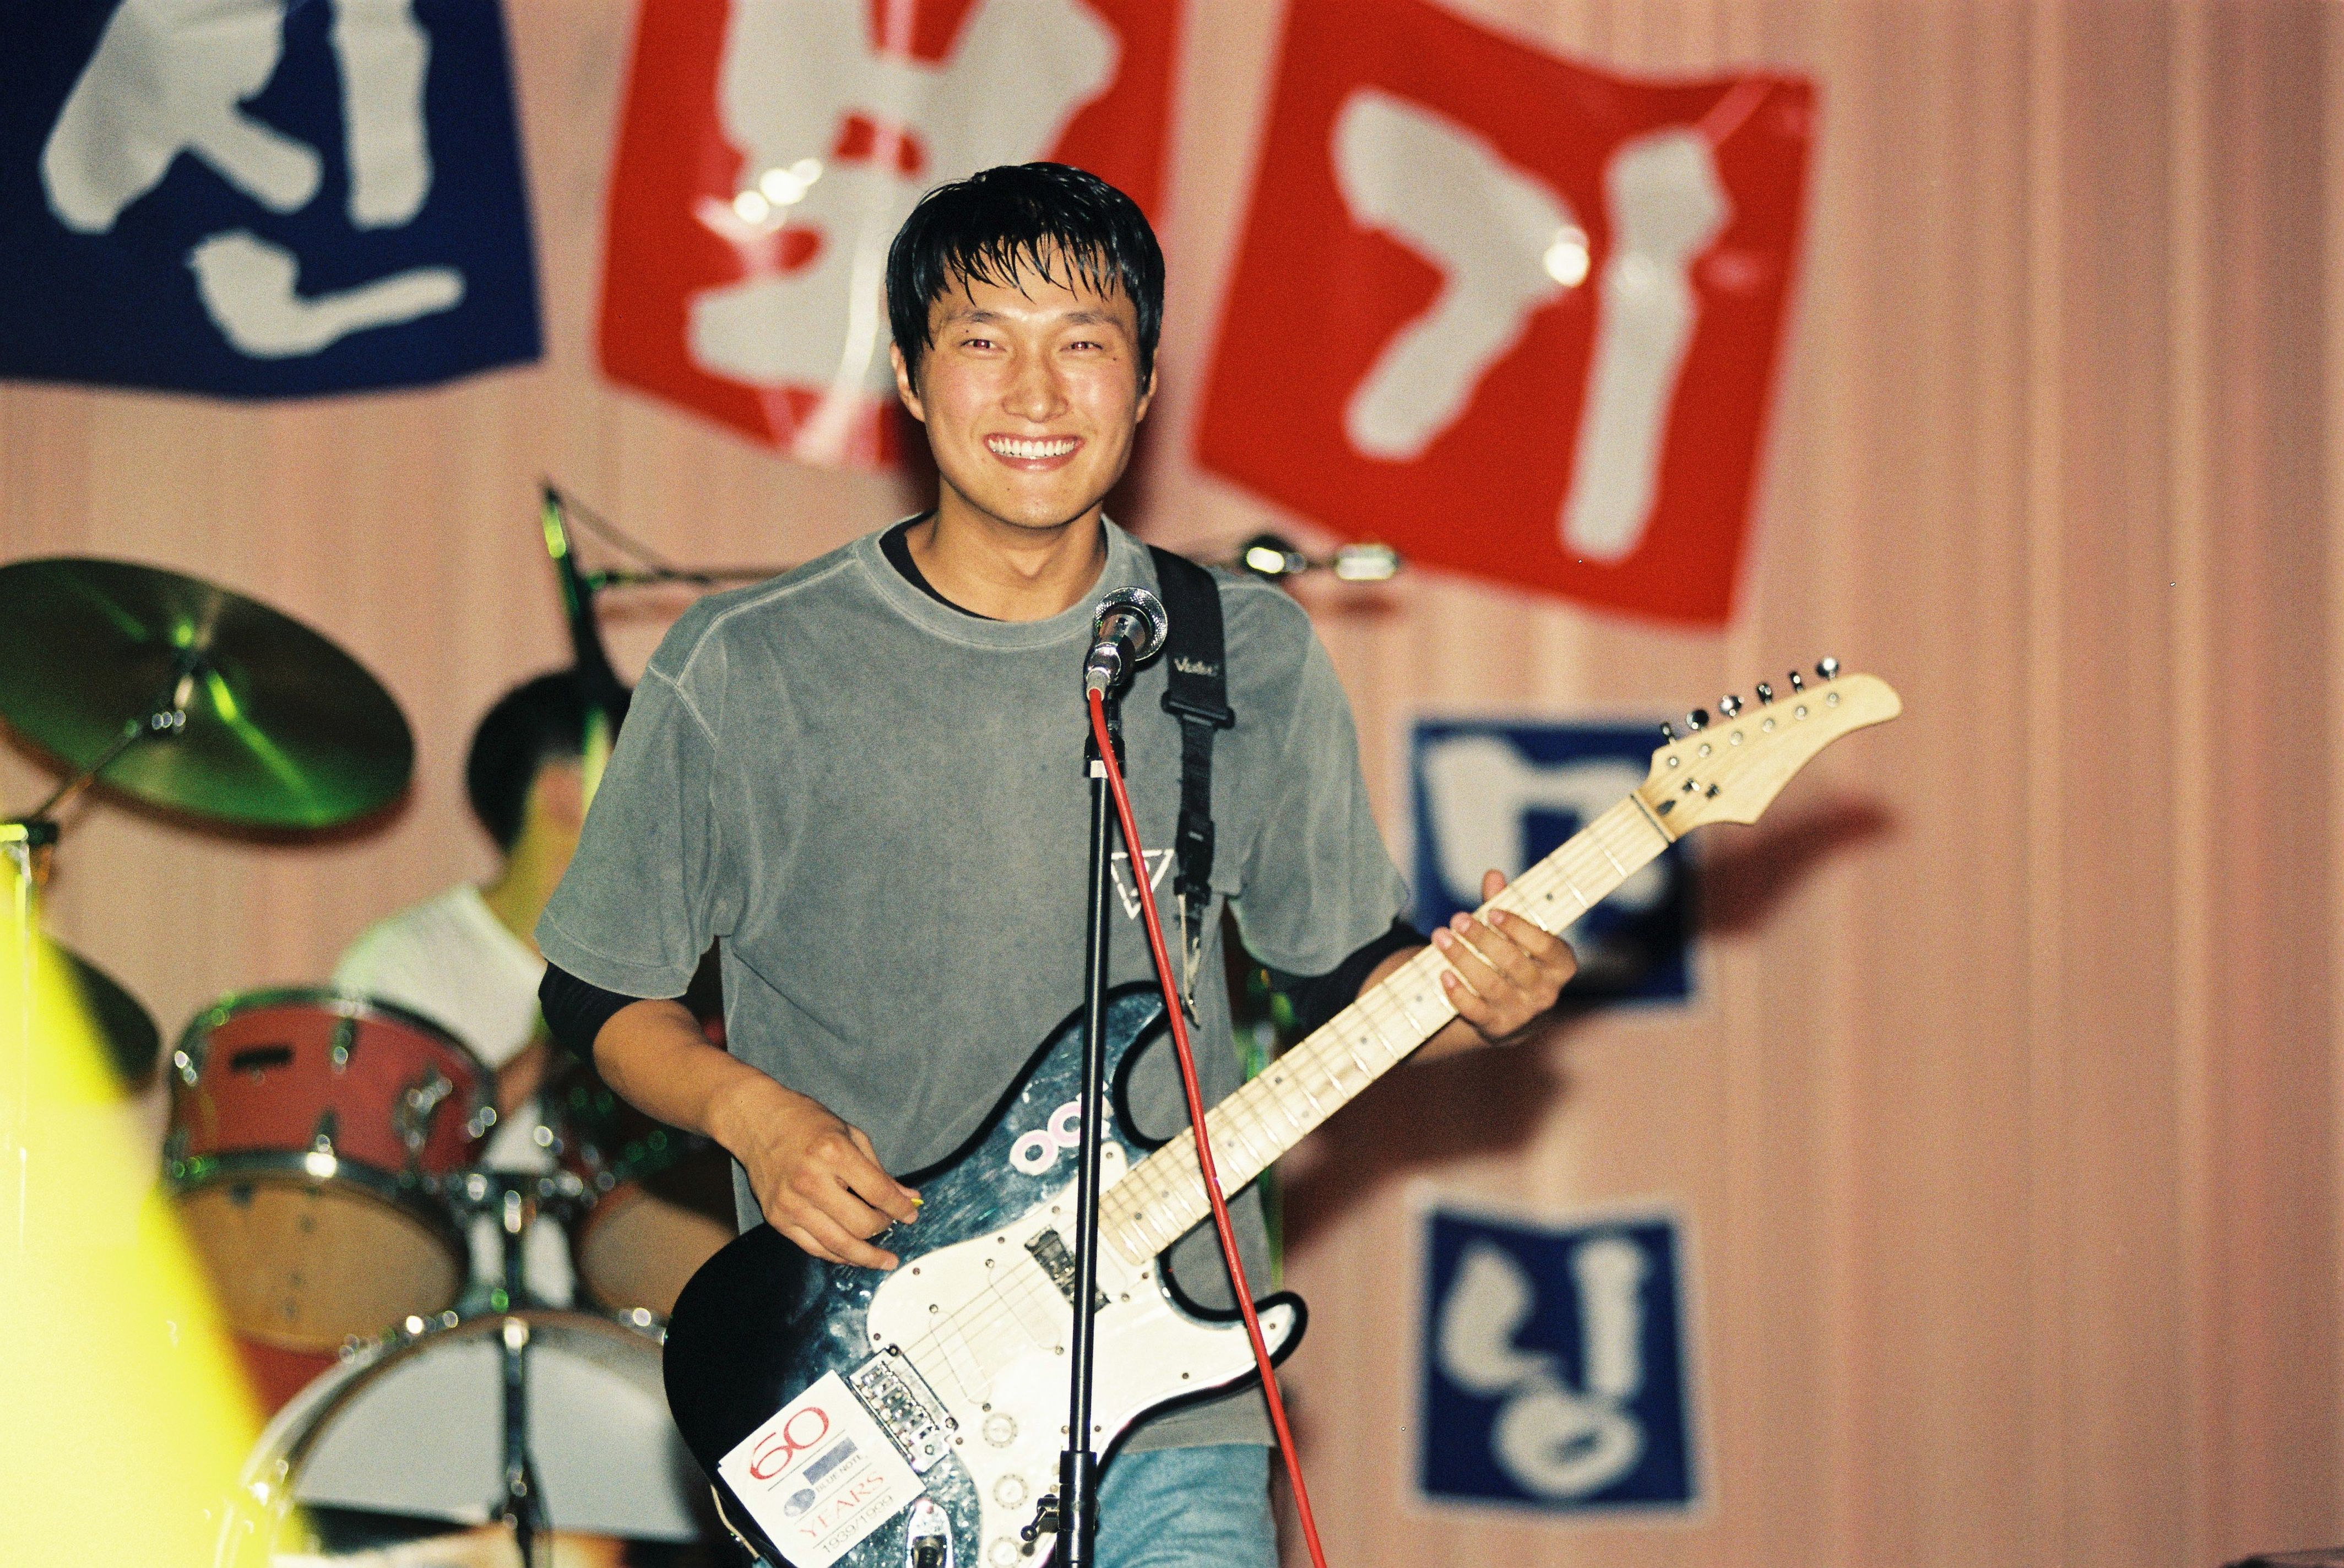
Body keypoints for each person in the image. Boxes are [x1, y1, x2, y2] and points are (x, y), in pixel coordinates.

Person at [534, 163, 1577, 1568]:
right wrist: (756, 1118)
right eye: (985, 340)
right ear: (909, 376)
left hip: (1177, 1396)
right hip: (878, 1383)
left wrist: (1480, 999)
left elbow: (1347, 976)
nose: (1036, 391)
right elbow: (599, 993)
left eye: (1084, 342)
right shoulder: (747, 663)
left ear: (1142, 384)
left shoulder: (1239, 651)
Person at [335, 670, 609, 1302]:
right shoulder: (404, 961)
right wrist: (557, 1041)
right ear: (564, 793)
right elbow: (376, 1183)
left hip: (627, 1336)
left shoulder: (676, 976)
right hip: (447, 1328)